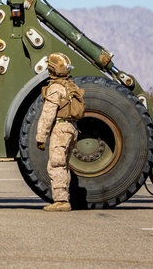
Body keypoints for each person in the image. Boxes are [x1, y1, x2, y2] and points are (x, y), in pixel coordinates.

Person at [35, 52, 85, 212]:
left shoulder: (55, 88)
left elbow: (48, 114)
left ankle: (61, 201)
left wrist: (41, 136)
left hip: (60, 128)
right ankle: (63, 198)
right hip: (72, 128)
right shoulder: (71, 86)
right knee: (64, 165)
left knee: (56, 165)